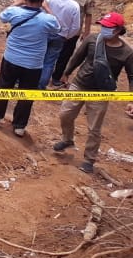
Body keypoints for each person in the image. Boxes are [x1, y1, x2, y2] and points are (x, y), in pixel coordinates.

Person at [54, 12, 133, 173]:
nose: (103, 29)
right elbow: (77, 57)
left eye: (108, 27)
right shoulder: (92, 40)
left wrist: (131, 99)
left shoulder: (127, 53)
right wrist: (66, 73)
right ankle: (67, 139)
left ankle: (89, 159)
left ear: (118, 30)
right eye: (102, 26)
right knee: (65, 114)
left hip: (101, 93)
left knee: (94, 128)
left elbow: (132, 77)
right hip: (79, 85)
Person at [0, 0, 61, 136]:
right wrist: (47, 8)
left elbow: (2, 17)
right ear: (42, 0)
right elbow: (58, 28)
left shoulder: (14, 12)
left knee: (4, 86)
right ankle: (19, 126)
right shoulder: (47, 19)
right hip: (34, 64)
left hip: (11, 58)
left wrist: (17, 2)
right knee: (27, 94)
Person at [52, 0, 95, 87]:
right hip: (57, 28)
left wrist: (86, 33)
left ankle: (56, 77)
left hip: (73, 32)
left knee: (65, 56)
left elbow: (88, 15)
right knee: (50, 52)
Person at [40, 0, 81, 89]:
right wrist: (67, 36)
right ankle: (41, 86)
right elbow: (76, 26)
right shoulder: (75, 6)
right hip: (60, 36)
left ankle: (29, 82)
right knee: (49, 62)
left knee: (36, 57)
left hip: (44, 33)